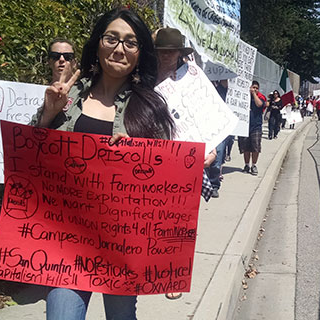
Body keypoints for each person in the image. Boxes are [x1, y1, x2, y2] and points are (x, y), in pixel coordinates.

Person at [30, 8, 177, 319]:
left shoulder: (150, 109)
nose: (119, 48)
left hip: (122, 247)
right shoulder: (67, 98)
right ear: (98, 43)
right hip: (66, 243)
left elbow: (165, 188)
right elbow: (31, 161)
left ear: (139, 53)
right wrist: (47, 114)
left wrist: (139, 156)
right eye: (112, 38)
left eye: (130, 42)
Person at [153, 26, 216, 299]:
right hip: (152, 158)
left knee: (180, 223)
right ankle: (150, 267)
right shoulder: (143, 79)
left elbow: (208, 114)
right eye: (162, 51)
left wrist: (211, 150)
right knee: (153, 221)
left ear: (180, 53)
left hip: (185, 160)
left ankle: (173, 277)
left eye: (171, 51)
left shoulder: (193, 79)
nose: (167, 56)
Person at [0, 38, 77, 129]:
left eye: (68, 56)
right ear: (49, 61)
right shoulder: (32, 94)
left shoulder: (84, 94)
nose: (62, 60)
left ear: (74, 62)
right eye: (55, 56)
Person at [238, 81, 266, 175]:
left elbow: (259, 104)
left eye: (256, 88)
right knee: (246, 148)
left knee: (255, 148)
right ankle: (246, 165)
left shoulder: (261, 98)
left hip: (256, 127)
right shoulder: (245, 98)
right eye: (253, 87)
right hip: (245, 126)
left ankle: (254, 165)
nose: (255, 89)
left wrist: (254, 94)